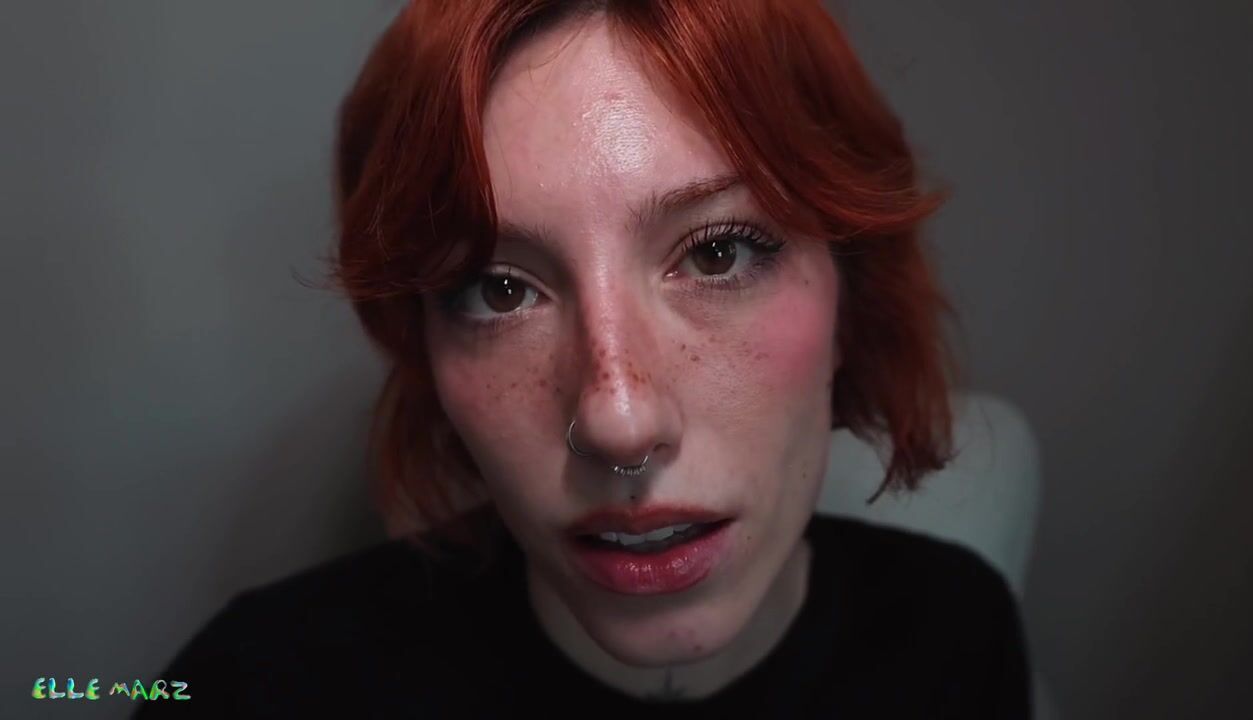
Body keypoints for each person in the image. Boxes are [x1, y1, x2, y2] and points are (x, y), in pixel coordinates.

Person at [140, 1, 1031, 717]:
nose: (619, 421)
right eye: (497, 290)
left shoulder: (957, 631)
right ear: (422, 342)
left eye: (717, 253)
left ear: (851, 297)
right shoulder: (247, 689)